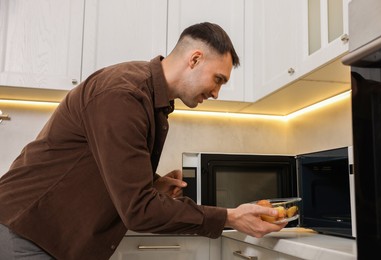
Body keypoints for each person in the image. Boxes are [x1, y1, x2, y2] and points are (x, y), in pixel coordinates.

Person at [0, 22, 286, 260]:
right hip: (28, 232)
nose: (216, 93)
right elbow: (138, 210)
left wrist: (151, 184)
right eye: (218, 79)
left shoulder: (150, 99)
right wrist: (229, 217)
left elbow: (109, 170)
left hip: (44, 235)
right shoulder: (123, 94)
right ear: (195, 59)